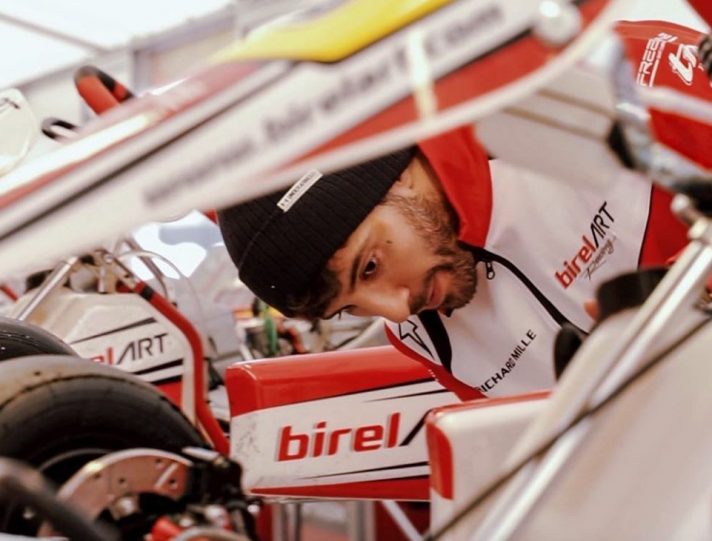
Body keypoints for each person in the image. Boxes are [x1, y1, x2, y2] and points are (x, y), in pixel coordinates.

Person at [218, 19, 709, 400]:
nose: (395, 309)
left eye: (370, 267)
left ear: (396, 173)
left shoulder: (601, 87)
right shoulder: (420, 335)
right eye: (349, 308)